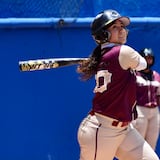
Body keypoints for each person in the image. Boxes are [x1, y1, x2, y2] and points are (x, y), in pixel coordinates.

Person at [76, 9, 159, 160]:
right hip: (102, 130)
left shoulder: (105, 56)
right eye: (115, 27)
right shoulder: (123, 52)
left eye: (122, 26)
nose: (122, 30)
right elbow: (141, 64)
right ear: (103, 35)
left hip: (125, 130)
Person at [132, 48, 160, 151]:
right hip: (140, 109)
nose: (148, 61)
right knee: (138, 143)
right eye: (146, 58)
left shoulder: (156, 75)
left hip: (154, 111)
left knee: (151, 143)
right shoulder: (134, 75)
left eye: (150, 58)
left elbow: (158, 95)